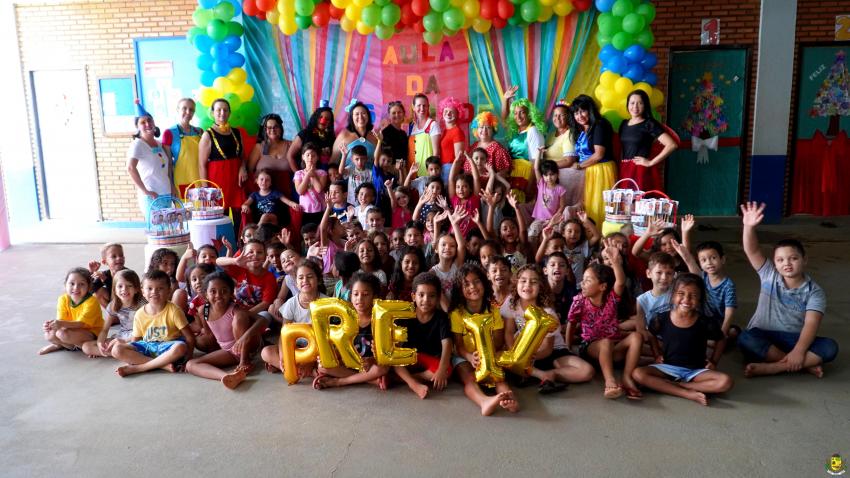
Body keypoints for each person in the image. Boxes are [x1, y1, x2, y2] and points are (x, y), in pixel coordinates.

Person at [738, 202, 838, 378]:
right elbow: (752, 250)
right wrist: (748, 227)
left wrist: (799, 351)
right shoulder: (769, 274)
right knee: (745, 339)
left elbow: (811, 325)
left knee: (830, 347)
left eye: (793, 258)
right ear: (774, 263)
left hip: (795, 339)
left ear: (804, 259)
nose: (787, 264)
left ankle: (774, 367)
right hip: (763, 334)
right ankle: (800, 365)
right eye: (781, 260)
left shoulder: (815, 292)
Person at [632, 274, 734, 406]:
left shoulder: (705, 322)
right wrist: (656, 354)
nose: (686, 299)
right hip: (668, 367)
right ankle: (686, 392)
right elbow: (651, 335)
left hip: (696, 371)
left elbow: (721, 339)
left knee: (726, 382)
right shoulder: (661, 318)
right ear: (672, 295)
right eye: (681, 293)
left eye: (694, 295)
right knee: (638, 374)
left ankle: (677, 385)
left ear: (700, 299)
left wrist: (714, 361)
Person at [566, 240, 643, 399]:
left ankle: (627, 378)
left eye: (588, 280)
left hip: (612, 347)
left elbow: (620, 282)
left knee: (636, 336)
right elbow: (571, 324)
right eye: (583, 279)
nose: (582, 283)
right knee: (606, 342)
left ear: (602, 287)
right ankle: (610, 381)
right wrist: (567, 349)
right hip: (590, 348)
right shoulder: (579, 301)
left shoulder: (611, 300)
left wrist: (615, 262)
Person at [502, 265, 594, 392]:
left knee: (587, 371)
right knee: (501, 356)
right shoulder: (511, 302)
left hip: (551, 353)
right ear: (516, 284)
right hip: (521, 351)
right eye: (523, 281)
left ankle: (550, 374)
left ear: (541, 287)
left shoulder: (548, 313)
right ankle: (538, 374)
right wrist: (515, 355)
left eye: (534, 282)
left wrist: (527, 358)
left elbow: (547, 349)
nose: (527, 285)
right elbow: (508, 332)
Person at [450, 264, 519, 416]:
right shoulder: (457, 314)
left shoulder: (493, 311)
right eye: (466, 284)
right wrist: (470, 357)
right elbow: (458, 346)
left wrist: (486, 356)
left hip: (489, 354)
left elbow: (499, 341)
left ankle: (510, 398)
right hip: (465, 357)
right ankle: (484, 402)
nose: (472, 287)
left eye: (476, 281)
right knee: (469, 378)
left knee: (499, 378)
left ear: (484, 283)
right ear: (460, 290)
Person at [186, 272, 266, 389]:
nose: (218, 295)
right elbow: (209, 334)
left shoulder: (235, 310)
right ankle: (228, 376)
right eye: (213, 291)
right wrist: (213, 354)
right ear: (206, 295)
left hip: (249, 347)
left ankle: (245, 361)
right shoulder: (205, 310)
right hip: (229, 351)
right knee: (191, 364)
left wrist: (245, 337)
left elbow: (262, 319)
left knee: (240, 318)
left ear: (231, 294)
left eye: (224, 291)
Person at [111, 270, 195, 376]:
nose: (154, 292)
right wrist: (129, 352)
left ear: (169, 290)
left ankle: (140, 368)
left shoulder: (174, 311)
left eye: (160, 288)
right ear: (142, 291)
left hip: (168, 347)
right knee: (116, 350)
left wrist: (189, 357)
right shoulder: (139, 314)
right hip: (148, 347)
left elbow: (190, 337)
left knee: (181, 347)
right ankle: (162, 365)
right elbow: (135, 340)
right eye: (149, 288)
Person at [313, 273, 389, 389]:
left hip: (370, 367)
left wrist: (372, 360)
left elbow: (385, 355)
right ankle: (370, 381)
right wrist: (333, 354)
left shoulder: (379, 320)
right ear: (350, 296)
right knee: (322, 365)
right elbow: (337, 347)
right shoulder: (344, 319)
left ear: (374, 297)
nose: (359, 298)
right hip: (350, 366)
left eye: (366, 294)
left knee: (382, 367)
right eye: (355, 294)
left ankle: (340, 382)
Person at [394, 272, 453, 399]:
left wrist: (441, 370)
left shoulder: (441, 318)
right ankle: (413, 384)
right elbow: (397, 346)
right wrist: (394, 358)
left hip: (429, 359)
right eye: (421, 295)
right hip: (409, 357)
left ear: (438, 298)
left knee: (447, 370)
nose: (426, 300)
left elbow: (447, 344)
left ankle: (403, 378)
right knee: (391, 360)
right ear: (413, 296)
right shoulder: (405, 315)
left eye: (431, 296)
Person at [198, 98, 248, 232]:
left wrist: (243, 167)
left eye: (225, 110)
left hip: (236, 179)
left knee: (239, 214)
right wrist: (206, 191)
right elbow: (202, 165)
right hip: (218, 180)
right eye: (218, 110)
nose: (222, 113)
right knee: (221, 217)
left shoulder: (237, 132)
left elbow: (242, 156)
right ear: (212, 113)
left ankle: (239, 245)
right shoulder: (208, 135)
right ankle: (223, 248)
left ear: (229, 113)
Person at [568, 94, 617, 226]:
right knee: (587, 206)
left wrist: (579, 165)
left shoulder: (599, 125)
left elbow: (599, 155)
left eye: (583, 111)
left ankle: (601, 238)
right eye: (576, 113)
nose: (580, 116)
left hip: (600, 170)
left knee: (597, 206)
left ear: (590, 110)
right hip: (588, 171)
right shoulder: (582, 129)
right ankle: (588, 237)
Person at [127, 101, 178, 221]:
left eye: (149, 120)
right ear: (138, 127)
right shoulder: (137, 145)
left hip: (166, 193)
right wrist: (145, 191)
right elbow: (130, 168)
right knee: (157, 232)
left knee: (168, 231)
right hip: (152, 195)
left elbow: (166, 169)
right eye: (143, 122)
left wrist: (172, 186)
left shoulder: (159, 144)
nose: (147, 124)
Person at [619, 90, 678, 192]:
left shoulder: (649, 123)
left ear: (645, 105)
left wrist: (650, 162)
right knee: (625, 205)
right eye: (632, 103)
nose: (635, 107)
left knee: (639, 204)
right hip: (624, 168)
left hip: (640, 170)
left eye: (640, 103)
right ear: (627, 104)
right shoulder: (623, 124)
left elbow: (672, 145)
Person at [39, 267, 104, 355]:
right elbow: (61, 320)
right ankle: (63, 345)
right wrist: (50, 325)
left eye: (81, 284)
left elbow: (81, 324)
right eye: (72, 283)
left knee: (62, 334)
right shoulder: (63, 299)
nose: (76, 287)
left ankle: (84, 346)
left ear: (89, 287)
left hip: (91, 333)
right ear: (65, 285)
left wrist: (60, 324)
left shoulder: (92, 301)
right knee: (49, 334)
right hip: (70, 330)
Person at [82, 269, 146, 358]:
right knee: (86, 347)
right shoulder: (113, 305)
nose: (124, 289)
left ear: (136, 289)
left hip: (140, 337)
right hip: (122, 336)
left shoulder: (142, 304)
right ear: (114, 289)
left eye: (129, 286)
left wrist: (125, 341)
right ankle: (121, 354)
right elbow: (105, 330)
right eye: (120, 286)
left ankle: (124, 353)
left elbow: (146, 331)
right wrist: (100, 343)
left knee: (121, 346)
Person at [544, 101, 583, 216]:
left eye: (562, 115)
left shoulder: (569, 133)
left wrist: (546, 168)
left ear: (569, 117)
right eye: (555, 115)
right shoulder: (551, 134)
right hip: (549, 175)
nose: (558, 118)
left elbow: (569, 160)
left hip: (563, 175)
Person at [162, 98, 203, 196]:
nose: (188, 112)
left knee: (202, 210)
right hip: (181, 181)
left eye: (191, 109)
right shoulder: (169, 133)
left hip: (200, 180)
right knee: (184, 210)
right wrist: (171, 186)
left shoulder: (200, 132)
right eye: (184, 108)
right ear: (177, 110)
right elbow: (168, 164)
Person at [248, 113, 294, 199]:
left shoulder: (290, 145)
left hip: (286, 195)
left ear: (280, 128)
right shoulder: (259, 147)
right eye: (269, 127)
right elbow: (249, 171)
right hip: (262, 197)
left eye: (276, 126)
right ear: (265, 130)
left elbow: (299, 169)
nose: (272, 129)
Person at [430, 207, 468, 311]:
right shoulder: (433, 272)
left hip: (458, 310)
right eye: (444, 245)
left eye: (452, 246)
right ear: (436, 249)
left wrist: (454, 223)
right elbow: (444, 304)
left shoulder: (457, 265)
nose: (447, 248)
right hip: (441, 314)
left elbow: (462, 246)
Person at [287, 103, 335, 169]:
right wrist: (298, 174)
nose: (323, 121)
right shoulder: (304, 134)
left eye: (327, 119)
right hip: (303, 175)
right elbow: (290, 156)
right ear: (315, 118)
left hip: (322, 175)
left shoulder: (331, 137)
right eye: (320, 117)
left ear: (330, 122)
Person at [465, 112, 512, 179]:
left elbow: (504, 171)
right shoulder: (474, 146)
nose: (484, 130)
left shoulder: (498, 148)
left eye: (488, 127)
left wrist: (492, 176)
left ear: (493, 130)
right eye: (481, 127)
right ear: (476, 130)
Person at [332, 100, 378, 170]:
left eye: (363, 113)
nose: (360, 117)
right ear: (351, 117)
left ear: (368, 116)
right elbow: (333, 161)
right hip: (347, 179)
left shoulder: (376, 136)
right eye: (357, 114)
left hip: (371, 179)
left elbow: (381, 161)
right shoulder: (343, 135)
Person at [293, 142, 329, 227]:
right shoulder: (299, 173)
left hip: (319, 210)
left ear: (317, 158)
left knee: (319, 232)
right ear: (303, 157)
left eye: (313, 155)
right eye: (308, 155)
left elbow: (319, 189)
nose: (310, 158)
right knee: (307, 233)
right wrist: (308, 175)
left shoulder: (322, 173)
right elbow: (300, 191)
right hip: (305, 211)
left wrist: (312, 175)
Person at [407, 93, 442, 176]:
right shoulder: (411, 126)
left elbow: (436, 152)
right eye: (419, 105)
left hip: (427, 174)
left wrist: (433, 174)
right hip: (413, 173)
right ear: (414, 107)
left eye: (424, 105)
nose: (422, 108)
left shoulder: (433, 124)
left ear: (428, 107)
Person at [87, 242, 127, 308]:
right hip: (116, 305)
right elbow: (90, 290)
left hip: (129, 304)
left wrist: (105, 279)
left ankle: (117, 315)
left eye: (121, 255)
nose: (119, 258)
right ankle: (113, 314)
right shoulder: (105, 274)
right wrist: (91, 272)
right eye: (114, 256)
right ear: (104, 262)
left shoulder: (128, 274)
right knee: (98, 292)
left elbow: (121, 291)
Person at [438, 96, 466, 183]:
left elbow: (459, 158)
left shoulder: (457, 131)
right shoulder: (444, 131)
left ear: (458, 114)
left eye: (452, 112)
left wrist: (452, 177)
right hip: (441, 167)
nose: (448, 114)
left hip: (450, 168)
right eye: (446, 111)